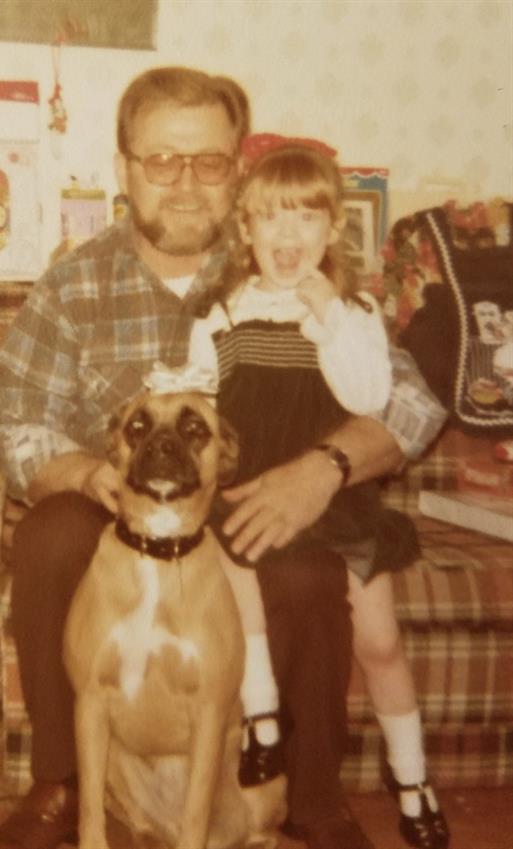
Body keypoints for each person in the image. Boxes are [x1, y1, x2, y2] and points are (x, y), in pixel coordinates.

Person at [0, 66, 447, 849]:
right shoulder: (73, 284)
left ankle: (311, 796)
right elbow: (13, 425)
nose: (187, 183)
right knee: (52, 531)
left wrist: (325, 466)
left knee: (302, 565)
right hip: (118, 516)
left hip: (261, 509)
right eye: (162, 160)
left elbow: (413, 402)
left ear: (239, 169)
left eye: (209, 161)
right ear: (125, 169)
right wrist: (89, 474)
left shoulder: (298, 274)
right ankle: (63, 785)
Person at [189, 135, 449, 849]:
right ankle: (263, 716)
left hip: (331, 495)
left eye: (306, 217)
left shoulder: (352, 311)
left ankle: (412, 776)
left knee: (380, 639)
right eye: (270, 217)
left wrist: (329, 313)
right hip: (248, 485)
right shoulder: (224, 310)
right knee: (233, 560)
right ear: (245, 229)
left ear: (333, 227)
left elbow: (368, 395)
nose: (287, 234)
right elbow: (198, 386)